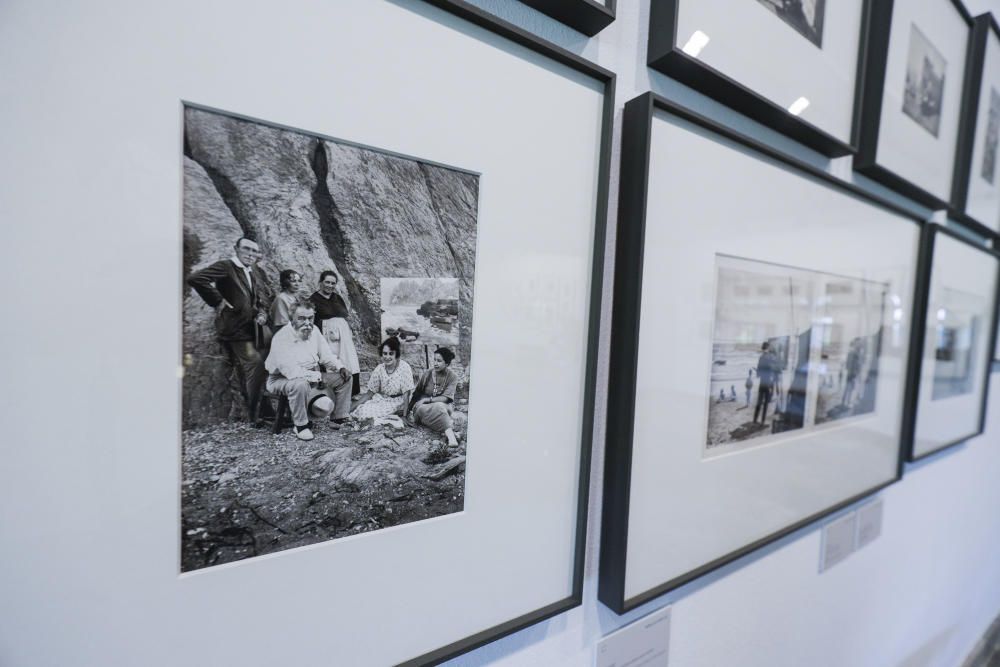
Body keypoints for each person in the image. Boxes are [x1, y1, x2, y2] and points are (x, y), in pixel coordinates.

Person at [187, 236, 273, 422]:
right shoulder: (226, 266)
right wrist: (218, 301)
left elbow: (259, 297)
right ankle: (257, 415)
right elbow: (196, 278)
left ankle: (264, 410)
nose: (251, 254)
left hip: (252, 329)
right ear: (236, 249)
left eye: (254, 251)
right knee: (254, 365)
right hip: (235, 330)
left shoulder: (252, 271)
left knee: (260, 366)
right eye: (247, 249)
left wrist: (262, 313)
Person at [264, 301, 353, 441]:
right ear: (291, 318)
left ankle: (338, 419)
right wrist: (318, 377)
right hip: (281, 378)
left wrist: (340, 367)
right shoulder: (282, 337)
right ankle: (300, 426)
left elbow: (326, 355)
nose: (307, 323)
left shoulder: (314, 331)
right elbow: (291, 371)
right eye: (301, 318)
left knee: (345, 377)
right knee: (299, 384)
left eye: (310, 318)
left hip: (311, 375)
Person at [310, 270, 361, 395]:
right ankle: (331, 392)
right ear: (321, 282)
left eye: (333, 283)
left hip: (343, 334)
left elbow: (345, 314)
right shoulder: (314, 299)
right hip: (326, 334)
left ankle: (351, 392)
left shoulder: (337, 297)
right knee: (331, 360)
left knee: (349, 360)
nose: (330, 286)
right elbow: (312, 320)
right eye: (327, 282)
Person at [407, 347, 460, 448]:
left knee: (440, 406)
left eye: (439, 361)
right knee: (430, 408)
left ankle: (444, 426)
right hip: (423, 408)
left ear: (447, 364)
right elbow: (416, 393)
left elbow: (446, 398)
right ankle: (450, 434)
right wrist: (408, 411)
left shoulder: (452, 376)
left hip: (443, 406)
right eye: (434, 360)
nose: (435, 363)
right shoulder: (427, 374)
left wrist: (427, 399)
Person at [351, 337, 415, 420]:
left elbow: (406, 395)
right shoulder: (379, 369)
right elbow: (369, 394)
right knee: (362, 410)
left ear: (396, 354)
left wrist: (405, 416)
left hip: (399, 401)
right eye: (385, 353)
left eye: (391, 354)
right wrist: (349, 409)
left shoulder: (404, 367)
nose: (387, 357)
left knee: (370, 415)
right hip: (383, 399)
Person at [753, 341, 780, 425]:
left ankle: (755, 419)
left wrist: (757, 371)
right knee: (765, 403)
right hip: (768, 382)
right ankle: (762, 421)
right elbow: (774, 369)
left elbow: (758, 373)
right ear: (768, 348)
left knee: (759, 401)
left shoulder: (761, 357)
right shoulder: (771, 357)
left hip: (762, 382)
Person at [842, 338, 864, 407]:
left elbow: (858, 364)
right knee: (849, 388)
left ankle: (846, 402)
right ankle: (846, 402)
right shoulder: (852, 352)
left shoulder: (856, 353)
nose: (860, 345)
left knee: (851, 388)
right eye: (858, 343)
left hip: (854, 373)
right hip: (852, 373)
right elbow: (849, 364)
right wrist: (851, 372)